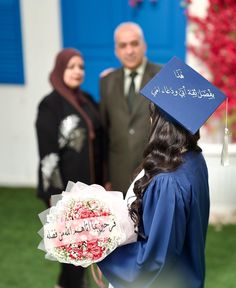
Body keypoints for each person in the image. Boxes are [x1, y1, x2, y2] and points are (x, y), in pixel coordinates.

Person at [98, 57, 226, 287]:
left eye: (152, 114)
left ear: (159, 123)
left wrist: (101, 253)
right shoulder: (194, 159)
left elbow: (153, 262)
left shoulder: (167, 181)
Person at [35, 48, 104, 288]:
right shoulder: (50, 105)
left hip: (89, 191)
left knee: (82, 253)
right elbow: (48, 156)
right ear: (59, 69)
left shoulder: (86, 100)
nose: (77, 71)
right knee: (73, 253)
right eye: (71, 66)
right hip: (64, 193)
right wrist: (58, 199)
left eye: (81, 67)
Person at [100, 22, 162, 194]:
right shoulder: (106, 81)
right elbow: (105, 131)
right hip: (119, 172)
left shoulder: (163, 76)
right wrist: (106, 175)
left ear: (144, 45)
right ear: (116, 50)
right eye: (123, 45)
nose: (129, 51)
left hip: (155, 169)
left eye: (134, 44)